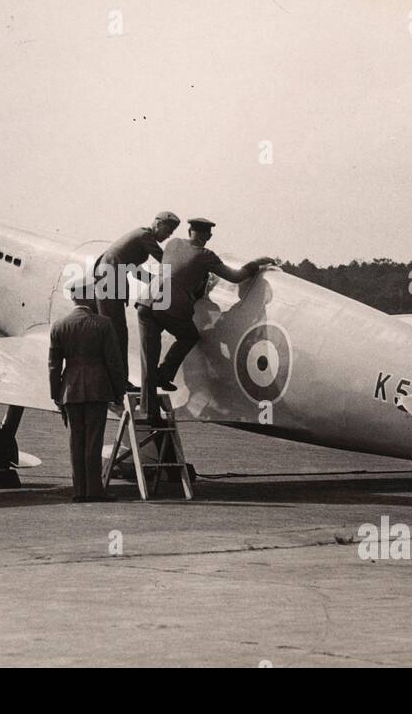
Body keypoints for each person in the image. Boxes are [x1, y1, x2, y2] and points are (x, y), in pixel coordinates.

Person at [136, 217, 275, 413]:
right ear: (208, 236)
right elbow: (235, 277)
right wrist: (256, 263)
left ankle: (147, 409)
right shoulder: (205, 255)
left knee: (148, 359)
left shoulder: (172, 243)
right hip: (169, 306)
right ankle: (164, 374)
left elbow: (178, 269)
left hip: (146, 303)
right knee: (189, 336)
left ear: (189, 231)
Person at [48, 274, 127, 502]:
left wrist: (55, 394)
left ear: (73, 298)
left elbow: (54, 365)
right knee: (94, 440)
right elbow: (114, 361)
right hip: (97, 389)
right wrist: (118, 390)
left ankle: (79, 491)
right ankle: (94, 490)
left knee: (76, 441)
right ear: (89, 295)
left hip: (70, 390)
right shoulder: (103, 324)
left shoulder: (59, 326)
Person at [94, 211, 180, 391]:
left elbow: (134, 270)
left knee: (118, 333)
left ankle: (118, 379)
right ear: (157, 223)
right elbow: (165, 260)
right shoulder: (144, 236)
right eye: (168, 230)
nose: (168, 235)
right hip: (110, 280)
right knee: (117, 333)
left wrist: (159, 282)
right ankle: (118, 381)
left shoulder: (140, 237)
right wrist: (182, 269)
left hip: (110, 280)